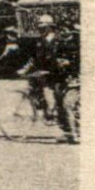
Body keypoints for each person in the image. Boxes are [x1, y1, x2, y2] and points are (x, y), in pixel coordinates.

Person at [21, 14, 76, 142]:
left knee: (60, 103)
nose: (41, 29)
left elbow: (65, 57)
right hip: (46, 75)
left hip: (59, 75)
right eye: (40, 27)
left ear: (50, 27)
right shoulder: (40, 41)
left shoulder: (59, 40)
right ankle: (62, 128)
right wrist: (25, 68)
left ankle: (68, 131)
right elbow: (34, 58)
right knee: (47, 98)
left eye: (44, 27)